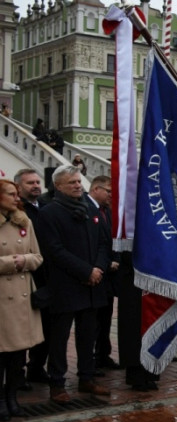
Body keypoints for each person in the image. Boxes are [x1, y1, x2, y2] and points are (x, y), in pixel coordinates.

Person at [35, 165, 112, 402]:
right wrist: (86, 271)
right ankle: (57, 383)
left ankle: (86, 378)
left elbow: (103, 243)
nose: (78, 185)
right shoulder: (49, 213)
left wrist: (97, 269)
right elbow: (54, 250)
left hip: (92, 284)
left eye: (79, 182)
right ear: (58, 186)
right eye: (72, 183)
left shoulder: (90, 209)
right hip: (65, 284)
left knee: (88, 335)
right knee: (59, 337)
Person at [0, 179, 44, 421]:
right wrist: (11, 262)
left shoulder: (24, 221)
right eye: (10, 194)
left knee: (18, 358)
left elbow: (37, 256)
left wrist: (23, 261)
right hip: (1, 300)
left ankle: (12, 396)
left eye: (17, 194)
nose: (16, 198)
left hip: (21, 299)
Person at [13, 169, 49, 384]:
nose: (36, 185)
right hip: (23, 276)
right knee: (21, 327)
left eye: (37, 182)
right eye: (30, 183)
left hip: (45, 276)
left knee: (44, 326)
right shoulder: (16, 212)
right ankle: (17, 374)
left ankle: (36, 367)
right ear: (19, 187)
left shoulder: (46, 208)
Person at [85, 176, 122, 372]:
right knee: (93, 322)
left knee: (105, 319)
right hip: (94, 274)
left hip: (108, 277)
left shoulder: (107, 211)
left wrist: (115, 258)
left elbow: (112, 238)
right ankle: (90, 360)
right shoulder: (86, 208)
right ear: (95, 189)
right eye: (108, 191)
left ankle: (102, 354)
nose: (111, 195)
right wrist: (103, 264)